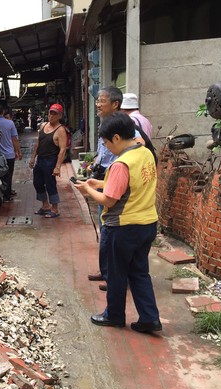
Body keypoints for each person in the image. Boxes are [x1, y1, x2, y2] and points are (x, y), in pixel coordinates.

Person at [73, 112, 161, 333]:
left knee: (116, 273)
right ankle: (150, 318)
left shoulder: (121, 163)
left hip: (123, 227)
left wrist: (88, 189)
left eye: (105, 142)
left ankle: (114, 315)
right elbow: (131, 185)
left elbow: (109, 200)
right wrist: (102, 182)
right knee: (139, 272)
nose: (107, 147)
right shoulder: (145, 153)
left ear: (117, 138)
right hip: (147, 223)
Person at [88, 87, 144, 288]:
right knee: (104, 228)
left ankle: (116, 278)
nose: (98, 104)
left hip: (117, 181)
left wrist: (120, 163)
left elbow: (139, 142)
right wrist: (95, 163)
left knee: (112, 231)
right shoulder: (106, 125)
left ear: (115, 104)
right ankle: (107, 271)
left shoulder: (126, 127)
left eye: (102, 100)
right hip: (105, 177)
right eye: (98, 100)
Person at [29, 103, 68, 218]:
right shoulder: (43, 125)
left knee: (50, 184)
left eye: (55, 114)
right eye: (50, 112)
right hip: (40, 159)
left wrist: (57, 167)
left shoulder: (60, 130)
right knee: (37, 182)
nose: (51, 115)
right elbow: (38, 143)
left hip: (50, 160)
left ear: (60, 116)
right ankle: (45, 205)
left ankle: (55, 209)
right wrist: (33, 157)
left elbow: (62, 150)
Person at [0, 104, 22, 202]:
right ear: (3, 112)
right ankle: (6, 196)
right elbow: (15, 139)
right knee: (8, 175)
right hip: (9, 154)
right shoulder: (10, 123)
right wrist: (18, 151)